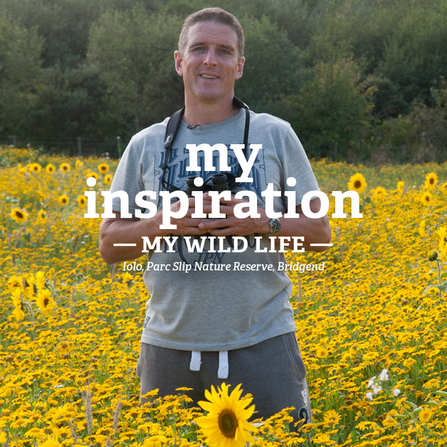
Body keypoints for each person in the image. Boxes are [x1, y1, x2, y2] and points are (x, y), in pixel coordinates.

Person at [99, 7, 331, 432]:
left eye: (224, 51)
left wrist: (261, 222)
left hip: (262, 344)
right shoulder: (145, 144)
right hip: (167, 348)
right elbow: (110, 246)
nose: (210, 60)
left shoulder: (274, 134)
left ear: (239, 66)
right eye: (199, 48)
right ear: (178, 60)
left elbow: (319, 235)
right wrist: (162, 223)